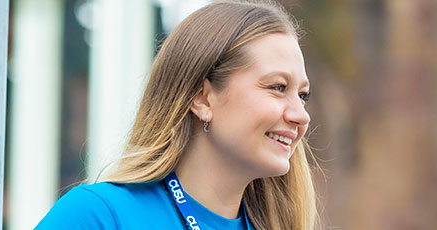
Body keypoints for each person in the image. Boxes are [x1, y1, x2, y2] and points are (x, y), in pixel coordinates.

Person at [36, 1, 317, 229]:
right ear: (202, 97)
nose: (300, 116)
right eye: (278, 87)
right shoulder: (100, 216)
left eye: (302, 95)